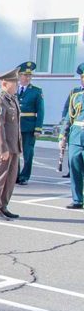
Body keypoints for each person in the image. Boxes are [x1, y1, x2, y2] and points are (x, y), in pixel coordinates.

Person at [0, 67, 23, 221]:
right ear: (4, 83)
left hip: (13, 147)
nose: (17, 85)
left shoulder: (12, 99)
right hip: (3, 148)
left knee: (10, 179)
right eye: (14, 82)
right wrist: (3, 149)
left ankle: (3, 206)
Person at [15, 62, 45, 185]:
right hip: (15, 126)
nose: (27, 78)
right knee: (14, 152)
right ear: (19, 76)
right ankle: (15, 175)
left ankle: (24, 176)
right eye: (24, 75)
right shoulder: (14, 90)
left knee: (28, 153)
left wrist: (38, 128)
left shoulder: (36, 91)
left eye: (29, 76)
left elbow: (41, 111)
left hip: (29, 126)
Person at [60, 74, 84, 210]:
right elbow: (69, 117)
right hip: (76, 137)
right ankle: (77, 199)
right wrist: (63, 136)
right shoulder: (76, 96)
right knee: (75, 168)